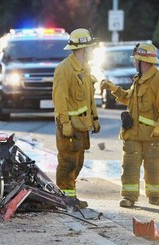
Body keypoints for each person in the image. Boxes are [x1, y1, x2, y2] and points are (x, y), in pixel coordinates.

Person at [101, 43, 159, 207]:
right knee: (129, 166)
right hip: (133, 133)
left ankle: (155, 196)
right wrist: (114, 89)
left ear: (143, 61)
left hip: (152, 135)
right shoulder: (138, 79)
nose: (133, 62)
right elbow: (129, 99)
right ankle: (129, 197)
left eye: (136, 59)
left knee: (153, 166)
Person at [52, 28, 101, 209]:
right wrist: (65, 123)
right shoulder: (64, 69)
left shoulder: (84, 69)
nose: (92, 51)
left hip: (82, 126)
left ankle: (69, 196)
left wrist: (94, 118)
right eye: (90, 47)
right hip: (70, 127)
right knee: (68, 163)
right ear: (83, 48)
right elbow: (60, 99)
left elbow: (89, 97)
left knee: (78, 163)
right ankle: (65, 199)